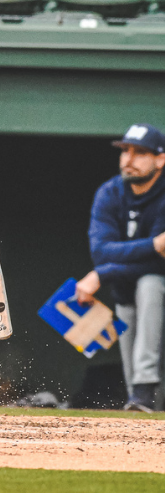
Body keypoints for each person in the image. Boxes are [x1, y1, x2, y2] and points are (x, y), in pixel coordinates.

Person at [74, 123, 165, 412]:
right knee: (137, 392)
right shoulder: (110, 192)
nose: (129, 158)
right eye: (125, 150)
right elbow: (101, 252)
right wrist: (152, 246)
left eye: (140, 152)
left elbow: (160, 267)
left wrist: (104, 273)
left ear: (160, 159)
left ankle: (144, 389)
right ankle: (141, 396)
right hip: (124, 291)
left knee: (151, 283)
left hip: (158, 289)